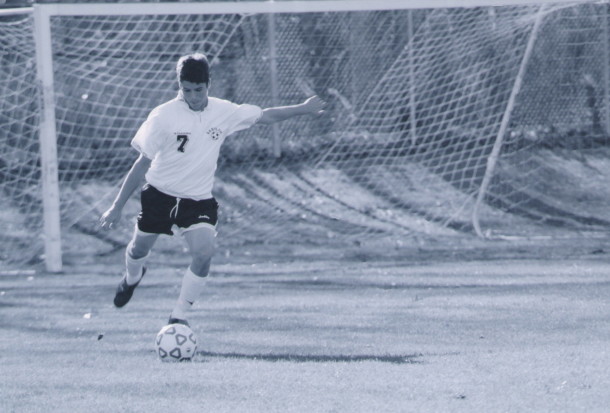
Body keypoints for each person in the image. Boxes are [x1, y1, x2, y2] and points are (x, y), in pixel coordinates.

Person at [99, 53, 325, 326]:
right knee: (137, 250)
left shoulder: (223, 111)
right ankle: (132, 277)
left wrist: (303, 108)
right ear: (179, 86)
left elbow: (265, 116)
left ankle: (178, 317)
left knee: (205, 254)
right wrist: (117, 205)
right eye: (187, 90)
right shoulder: (163, 116)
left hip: (198, 200)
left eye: (199, 89)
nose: (193, 96)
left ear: (209, 84)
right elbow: (141, 163)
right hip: (160, 194)